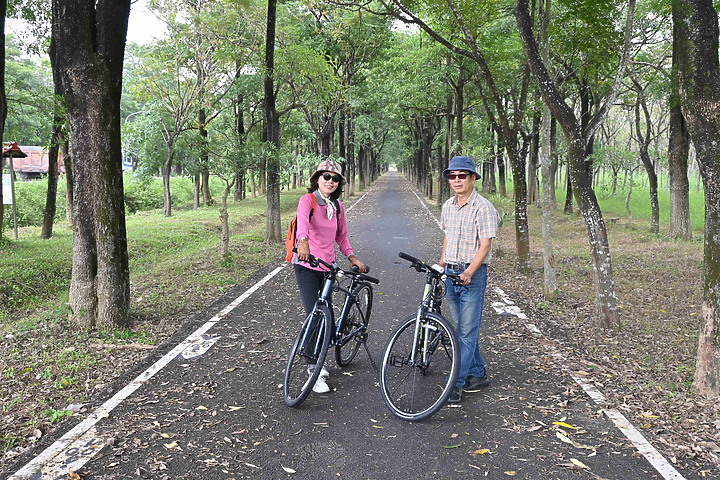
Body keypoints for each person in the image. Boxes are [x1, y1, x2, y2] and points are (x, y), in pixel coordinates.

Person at [292, 159, 367, 393]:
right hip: (306, 264)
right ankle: (313, 367)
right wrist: (302, 242)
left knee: (326, 313)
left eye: (335, 179)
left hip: (328, 267)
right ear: (317, 179)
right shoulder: (308, 200)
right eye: (326, 177)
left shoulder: (338, 207)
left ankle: (320, 356)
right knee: (314, 314)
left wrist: (352, 257)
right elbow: (303, 223)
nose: (330, 182)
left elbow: (341, 237)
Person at [438, 155, 499, 403]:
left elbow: (485, 246)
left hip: (471, 275)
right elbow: (447, 238)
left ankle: (456, 384)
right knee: (462, 329)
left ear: (473, 177)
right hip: (451, 272)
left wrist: (469, 272)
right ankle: (478, 372)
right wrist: (441, 264)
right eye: (452, 176)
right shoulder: (447, 206)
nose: (457, 180)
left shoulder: (483, 208)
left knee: (466, 332)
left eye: (462, 175)